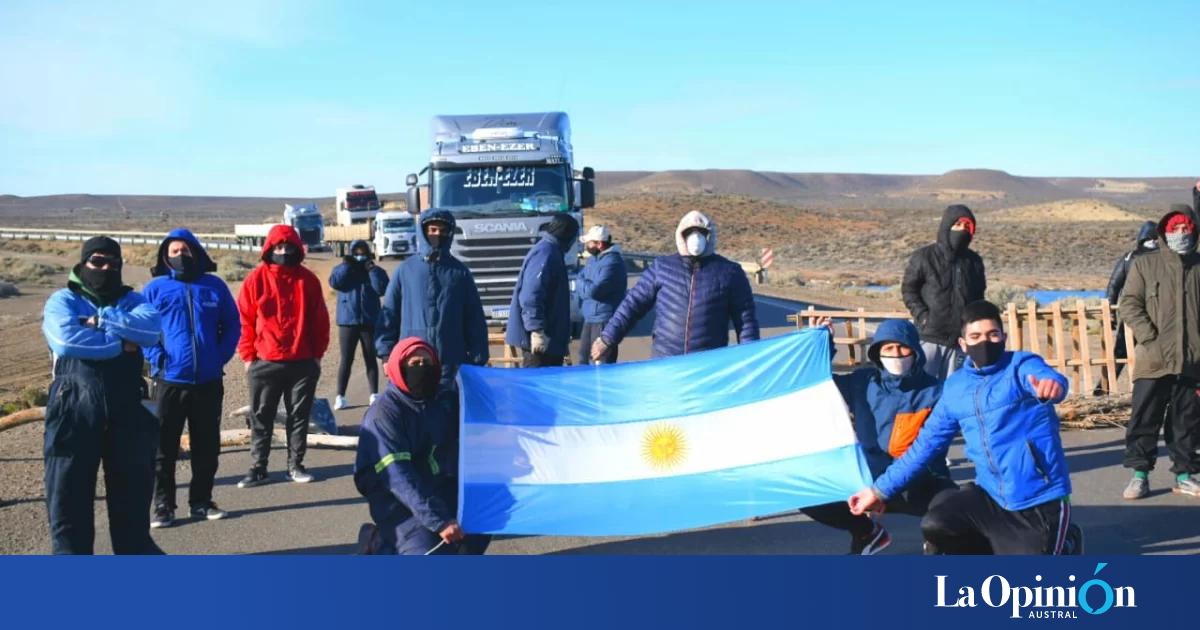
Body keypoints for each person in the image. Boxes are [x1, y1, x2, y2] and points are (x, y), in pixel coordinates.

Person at [849, 301, 1083, 555]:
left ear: (1003, 337)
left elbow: (1049, 378)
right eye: (975, 336)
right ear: (963, 344)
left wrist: (1053, 385)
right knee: (937, 524)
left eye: (993, 334)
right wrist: (878, 491)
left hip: (1038, 498)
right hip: (990, 496)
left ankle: (1067, 541)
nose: (985, 342)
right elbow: (924, 446)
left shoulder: (1020, 366)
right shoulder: (956, 387)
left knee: (1026, 590)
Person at [41, 236, 163, 554]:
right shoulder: (62, 300)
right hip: (72, 408)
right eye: (97, 261)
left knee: (133, 502)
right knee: (68, 502)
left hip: (130, 409)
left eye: (114, 263)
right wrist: (119, 345)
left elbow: (150, 332)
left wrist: (101, 322)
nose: (106, 268)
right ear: (83, 264)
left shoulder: (133, 301)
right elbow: (66, 341)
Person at [801, 318, 954, 555]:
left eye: (903, 347)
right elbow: (816, 383)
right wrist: (820, 344)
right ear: (877, 353)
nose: (896, 354)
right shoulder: (862, 382)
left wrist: (880, 491)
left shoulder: (937, 392)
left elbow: (926, 455)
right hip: (866, 481)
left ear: (915, 350)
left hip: (919, 481)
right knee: (807, 493)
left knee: (953, 509)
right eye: (888, 348)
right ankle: (866, 533)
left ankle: (936, 545)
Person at [143, 228, 240, 528]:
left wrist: (218, 356)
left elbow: (232, 325)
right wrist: (157, 359)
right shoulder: (155, 289)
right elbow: (144, 330)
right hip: (169, 381)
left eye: (186, 250)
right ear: (165, 256)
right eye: (174, 251)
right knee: (163, 449)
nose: (181, 255)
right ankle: (163, 505)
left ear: (196, 252)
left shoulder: (214, 287)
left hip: (208, 382)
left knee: (207, 447)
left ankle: (201, 501)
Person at [592, 210, 758, 360]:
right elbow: (632, 305)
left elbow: (746, 321)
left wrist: (751, 358)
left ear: (709, 236)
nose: (695, 237)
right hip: (666, 364)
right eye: (690, 232)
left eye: (701, 233)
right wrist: (607, 339)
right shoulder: (662, 267)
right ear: (681, 236)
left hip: (708, 366)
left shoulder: (729, 272)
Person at [236, 225, 330, 488]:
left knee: (298, 416)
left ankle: (295, 465)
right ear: (269, 249)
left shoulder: (307, 281)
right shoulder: (256, 280)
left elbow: (320, 320)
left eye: (289, 247)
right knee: (261, 416)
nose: (284, 252)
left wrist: (317, 355)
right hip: (264, 361)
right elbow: (244, 319)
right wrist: (247, 356)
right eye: (278, 247)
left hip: (302, 361)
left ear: (297, 249)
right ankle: (258, 467)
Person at [1117, 204, 1200, 499]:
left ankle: (1185, 474)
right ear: (1164, 230)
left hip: (1192, 361)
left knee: (1187, 421)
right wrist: (1149, 337)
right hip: (1153, 359)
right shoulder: (1145, 264)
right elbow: (1129, 303)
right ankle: (1139, 475)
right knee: (1145, 417)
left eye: (1186, 228)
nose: (1180, 233)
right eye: (1175, 227)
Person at [354, 338, 465, 554]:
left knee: (475, 530)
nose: (422, 369)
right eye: (414, 364)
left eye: (427, 363)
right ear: (398, 367)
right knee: (427, 550)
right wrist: (439, 521)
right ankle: (379, 543)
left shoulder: (442, 400)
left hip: (435, 483)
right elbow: (397, 475)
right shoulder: (384, 414)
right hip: (392, 494)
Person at [376, 209, 489, 391]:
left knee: (449, 415)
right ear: (424, 231)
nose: (437, 235)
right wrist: (386, 355)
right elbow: (389, 315)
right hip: (412, 364)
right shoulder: (406, 271)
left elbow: (474, 319)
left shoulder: (460, 274)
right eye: (433, 230)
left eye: (443, 231)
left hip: (451, 365)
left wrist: (477, 359)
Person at [901, 204, 986, 380]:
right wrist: (923, 316)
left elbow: (979, 297)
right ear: (947, 226)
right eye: (957, 225)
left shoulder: (974, 262)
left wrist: (973, 328)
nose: (962, 230)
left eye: (966, 226)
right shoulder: (924, 257)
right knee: (922, 387)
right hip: (929, 337)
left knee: (954, 390)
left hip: (960, 341)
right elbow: (909, 289)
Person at [506, 214, 579, 367]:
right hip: (541, 342)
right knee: (535, 387)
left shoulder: (552, 251)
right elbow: (531, 295)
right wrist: (536, 330)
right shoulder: (546, 254)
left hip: (551, 339)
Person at [1096, 221, 1157, 394]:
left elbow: (1113, 286)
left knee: (1120, 354)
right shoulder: (1165, 258)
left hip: (1132, 313)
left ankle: (1102, 391)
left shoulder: (1129, 257)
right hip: (1159, 314)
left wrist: (1110, 314)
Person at [328, 239, 389, 410]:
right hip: (348, 321)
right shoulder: (343, 269)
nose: (360, 256)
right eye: (357, 253)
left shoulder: (374, 271)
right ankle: (340, 396)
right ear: (351, 253)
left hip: (369, 320)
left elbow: (382, 289)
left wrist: (372, 270)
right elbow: (335, 282)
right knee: (346, 359)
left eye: (363, 253)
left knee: (370, 358)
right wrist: (347, 265)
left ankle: (374, 394)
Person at [575, 225, 626, 365]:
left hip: (603, 320)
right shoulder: (593, 260)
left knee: (600, 363)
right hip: (589, 317)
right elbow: (580, 278)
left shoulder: (612, 263)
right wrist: (585, 285)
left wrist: (583, 285)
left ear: (600, 244)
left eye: (589, 242)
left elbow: (595, 291)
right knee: (583, 360)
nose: (586, 245)